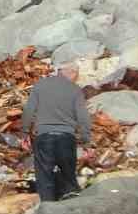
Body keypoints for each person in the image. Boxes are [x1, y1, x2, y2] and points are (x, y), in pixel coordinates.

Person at [21, 63, 92, 202]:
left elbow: (29, 111)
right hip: (66, 138)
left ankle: (47, 207)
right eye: (77, 76)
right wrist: (86, 142)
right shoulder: (75, 90)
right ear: (73, 73)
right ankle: (71, 206)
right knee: (68, 176)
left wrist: (24, 134)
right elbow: (83, 117)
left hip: (43, 137)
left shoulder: (40, 85)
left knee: (44, 176)